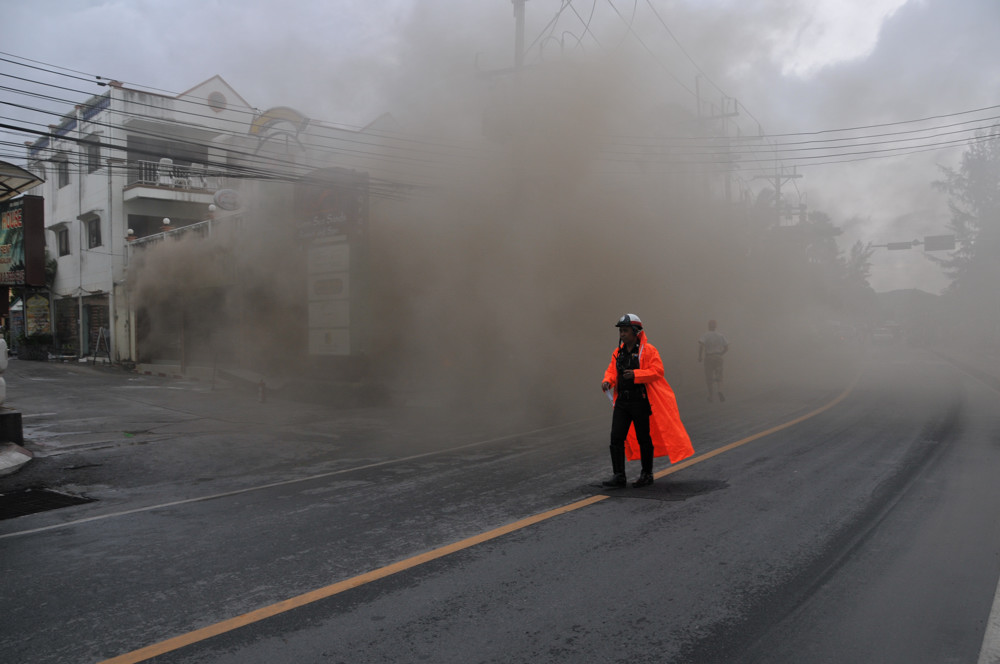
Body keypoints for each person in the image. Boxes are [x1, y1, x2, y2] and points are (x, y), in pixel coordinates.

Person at [601, 314, 695, 488]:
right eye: (621, 331)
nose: (622, 334)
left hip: (640, 401)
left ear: (636, 332)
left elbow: (658, 371)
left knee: (644, 437)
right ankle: (619, 476)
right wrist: (608, 381)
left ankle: (646, 474)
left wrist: (636, 374)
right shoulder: (618, 352)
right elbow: (611, 371)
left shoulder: (649, 350)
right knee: (616, 437)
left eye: (626, 330)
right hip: (622, 401)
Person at [698, 319, 729, 402]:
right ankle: (720, 390)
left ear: (708, 326)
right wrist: (720, 354)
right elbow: (726, 348)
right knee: (719, 375)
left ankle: (711, 396)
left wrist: (700, 356)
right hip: (718, 357)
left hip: (709, 357)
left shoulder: (705, 335)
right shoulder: (720, 335)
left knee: (709, 377)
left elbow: (701, 346)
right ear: (716, 326)